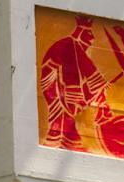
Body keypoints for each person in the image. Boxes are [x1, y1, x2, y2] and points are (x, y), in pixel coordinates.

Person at [38, 16, 103, 148]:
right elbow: (82, 73)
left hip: (58, 87)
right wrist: (81, 97)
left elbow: (90, 73)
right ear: (81, 33)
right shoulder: (70, 45)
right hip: (56, 86)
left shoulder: (73, 46)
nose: (92, 39)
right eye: (89, 34)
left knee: (64, 120)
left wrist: (92, 91)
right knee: (64, 116)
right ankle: (63, 142)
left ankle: (66, 142)